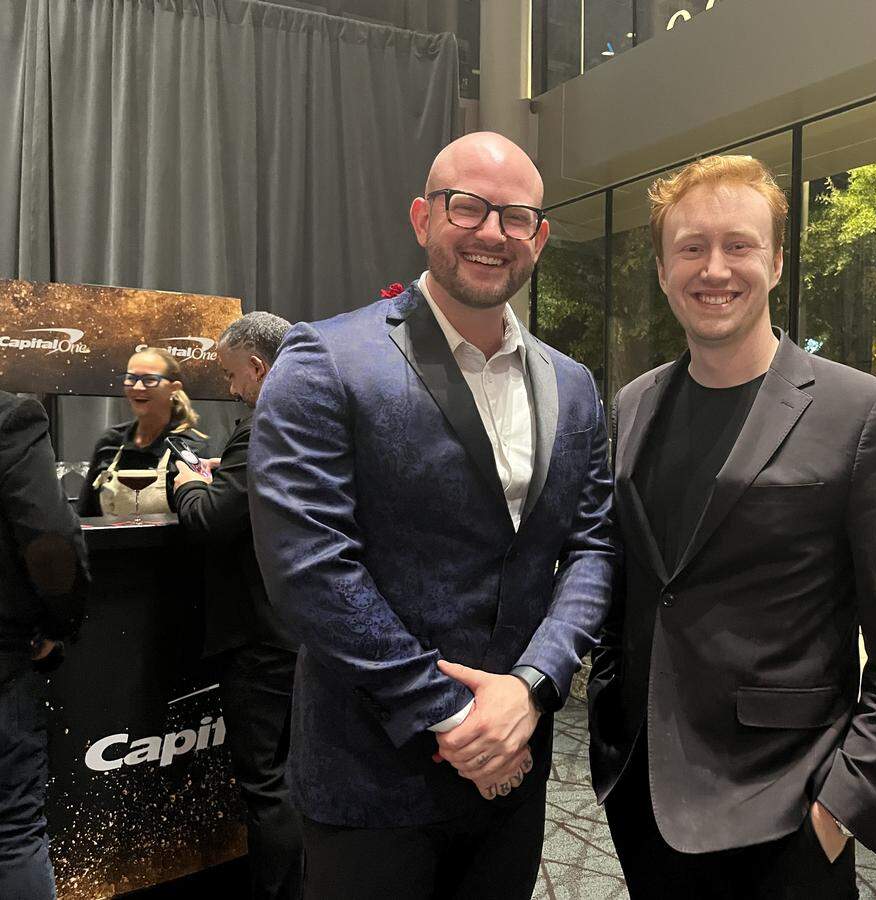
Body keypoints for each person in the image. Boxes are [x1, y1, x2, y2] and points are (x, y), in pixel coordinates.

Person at [248, 131, 616, 899]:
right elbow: (310, 570)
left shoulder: (572, 385)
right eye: (467, 207)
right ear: (423, 218)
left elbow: (592, 548)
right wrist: (451, 716)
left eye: (515, 216)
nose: (492, 232)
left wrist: (533, 686)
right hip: (372, 777)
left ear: (539, 237)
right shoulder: (326, 361)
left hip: (514, 764)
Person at [587, 155, 876, 899]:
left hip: (784, 815)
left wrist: (841, 809)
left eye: (739, 245)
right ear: (662, 269)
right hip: (642, 794)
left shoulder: (863, 414)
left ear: (777, 261)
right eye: (691, 247)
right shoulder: (633, 405)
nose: (714, 269)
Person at [172, 312, 302, 899]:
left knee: (266, 784)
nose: (229, 388)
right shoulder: (318, 416)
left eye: (231, 375)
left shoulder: (265, 425)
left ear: (257, 366)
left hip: (260, 636)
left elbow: (209, 521)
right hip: (301, 628)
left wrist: (188, 487)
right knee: (296, 776)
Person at [0, 391, 90, 898]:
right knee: (12, 833)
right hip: (5, 662)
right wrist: (59, 626)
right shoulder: (10, 418)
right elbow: (52, 541)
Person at [77, 348, 208, 517]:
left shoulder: (188, 448)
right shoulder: (111, 441)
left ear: (174, 388)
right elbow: (85, 514)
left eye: (150, 380)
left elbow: (199, 516)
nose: (137, 387)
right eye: (131, 379)